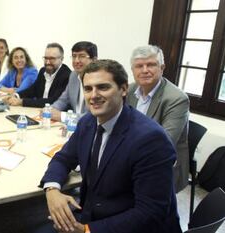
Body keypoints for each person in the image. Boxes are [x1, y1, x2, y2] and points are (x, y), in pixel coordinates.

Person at [38, 59, 182, 233]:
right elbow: (63, 158)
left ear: (123, 89)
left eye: (103, 87)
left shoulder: (151, 139)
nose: (94, 95)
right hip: (93, 213)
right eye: (88, 88)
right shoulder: (88, 122)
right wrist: (52, 189)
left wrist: (86, 230)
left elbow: (150, 212)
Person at [127, 45, 190, 192]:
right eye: (139, 66)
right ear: (133, 71)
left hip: (162, 163)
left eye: (151, 65)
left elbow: (164, 142)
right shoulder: (129, 90)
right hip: (133, 155)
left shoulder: (177, 98)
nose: (144, 70)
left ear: (162, 68)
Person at [3, 43, 71, 108]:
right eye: (46, 58)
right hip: (38, 111)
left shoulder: (67, 75)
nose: (47, 62)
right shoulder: (43, 70)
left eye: (52, 59)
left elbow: (53, 101)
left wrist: (21, 101)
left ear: (61, 59)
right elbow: (33, 89)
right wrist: (16, 95)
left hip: (53, 114)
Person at [51, 41, 97, 122]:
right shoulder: (73, 76)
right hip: (73, 126)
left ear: (94, 59)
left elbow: (94, 116)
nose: (76, 61)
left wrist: (63, 116)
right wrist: (50, 110)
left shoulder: (99, 81)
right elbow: (63, 100)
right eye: (74, 56)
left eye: (82, 56)